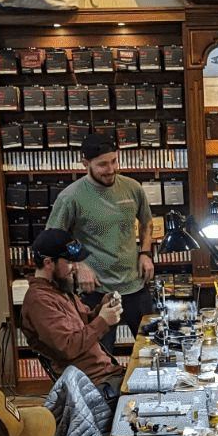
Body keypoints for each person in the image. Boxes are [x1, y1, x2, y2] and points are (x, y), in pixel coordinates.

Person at [46, 132, 155, 333]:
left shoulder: (133, 188)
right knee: (99, 352)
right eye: (103, 165)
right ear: (85, 164)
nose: (111, 169)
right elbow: (52, 239)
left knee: (151, 345)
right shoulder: (70, 197)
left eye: (114, 161)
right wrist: (78, 265)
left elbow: (147, 223)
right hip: (96, 292)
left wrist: (145, 253)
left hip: (135, 287)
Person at [20, 228, 125, 393]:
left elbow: (83, 323)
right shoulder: (39, 301)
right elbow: (68, 347)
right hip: (93, 384)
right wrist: (103, 321)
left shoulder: (60, 289)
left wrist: (102, 309)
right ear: (48, 263)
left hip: (105, 374)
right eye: (70, 262)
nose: (76, 267)